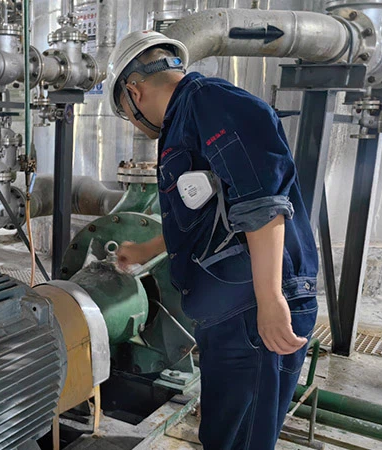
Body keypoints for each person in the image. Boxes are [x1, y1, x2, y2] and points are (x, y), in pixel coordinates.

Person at [110, 31, 319, 449]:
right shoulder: (186, 122)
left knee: (240, 440)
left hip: (252, 310)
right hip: (231, 313)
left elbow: (261, 203)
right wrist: (146, 250)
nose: (136, 124)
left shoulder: (212, 103)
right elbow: (208, 214)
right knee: (225, 435)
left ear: (134, 91)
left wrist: (270, 299)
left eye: (127, 115)